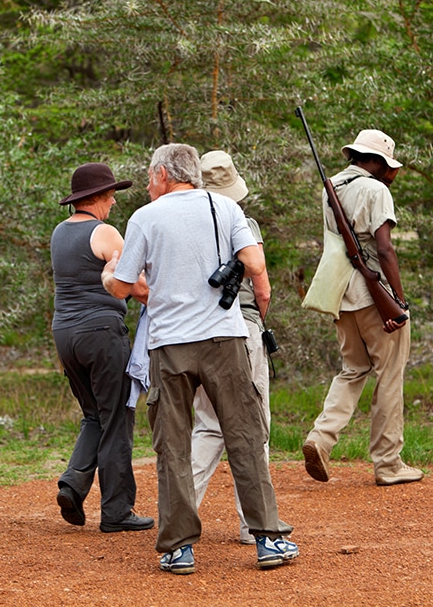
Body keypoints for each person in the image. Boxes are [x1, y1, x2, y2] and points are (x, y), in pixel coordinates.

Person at [102, 143, 297, 575]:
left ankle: (179, 548)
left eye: (151, 176)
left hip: (169, 345)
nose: (150, 184)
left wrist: (108, 271)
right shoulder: (226, 210)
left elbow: (121, 287)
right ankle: (267, 539)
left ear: (163, 175)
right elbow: (255, 261)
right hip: (224, 340)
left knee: (172, 445)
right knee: (244, 436)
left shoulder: (144, 218)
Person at [301, 130, 422, 487]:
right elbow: (384, 249)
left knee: (353, 369)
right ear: (381, 163)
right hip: (373, 295)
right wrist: (398, 299)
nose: (393, 174)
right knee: (389, 373)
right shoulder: (375, 190)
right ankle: (388, 463)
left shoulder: (331, 187)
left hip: (340, 292)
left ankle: (320, 438)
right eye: (391, 167)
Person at [51, 163, 154, 533]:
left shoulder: (59, 233)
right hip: (101, 333)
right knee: (116, 418)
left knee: (94, 414)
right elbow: (136, 285)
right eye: (109, 195)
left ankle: (73, 484)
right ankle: (117, 511)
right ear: (95, 198)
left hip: (65, 333)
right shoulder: (105, 232)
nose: (112, 202)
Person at [190, 151, 272, 546]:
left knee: (207, 425)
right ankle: (253, 524)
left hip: (197, 334)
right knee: (254, 427)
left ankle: (180, 514)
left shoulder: (183, 224)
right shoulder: (243, 221)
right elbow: (262, 287)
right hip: (241, 329)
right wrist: (258, 319)